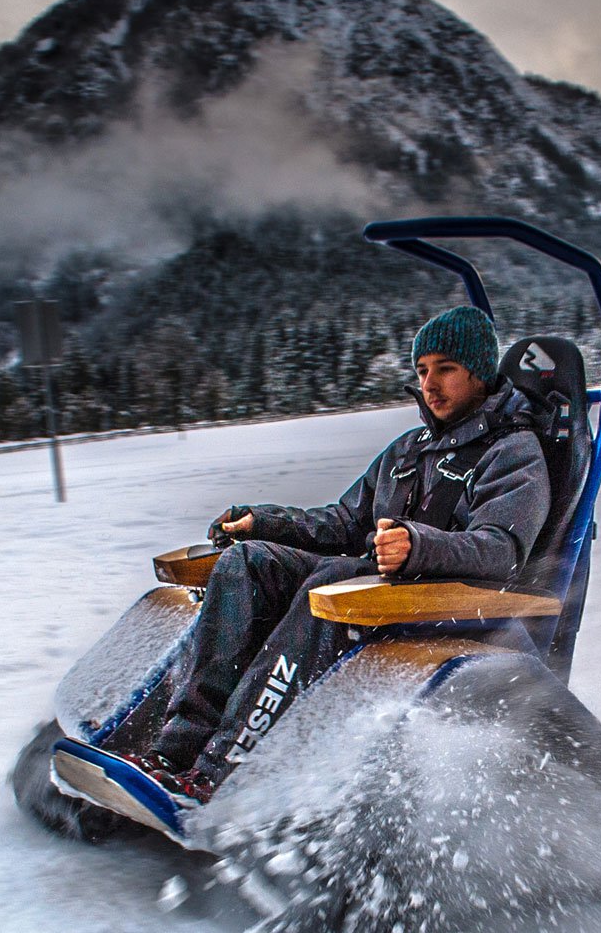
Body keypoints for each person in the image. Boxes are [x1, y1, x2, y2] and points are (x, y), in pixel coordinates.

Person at [125, 305, 551, 805]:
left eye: (446, 368)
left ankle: (221, 768)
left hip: (446, 605)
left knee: (324, 589)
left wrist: (419, 547)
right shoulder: (407, 450)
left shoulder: (514, 451)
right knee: (247, 565)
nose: (429, 384)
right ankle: (177, 752)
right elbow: (346, 522)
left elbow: (502, 550)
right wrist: (263, 523)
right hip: (370, 587)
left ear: (479, 371)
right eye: (421, 370)